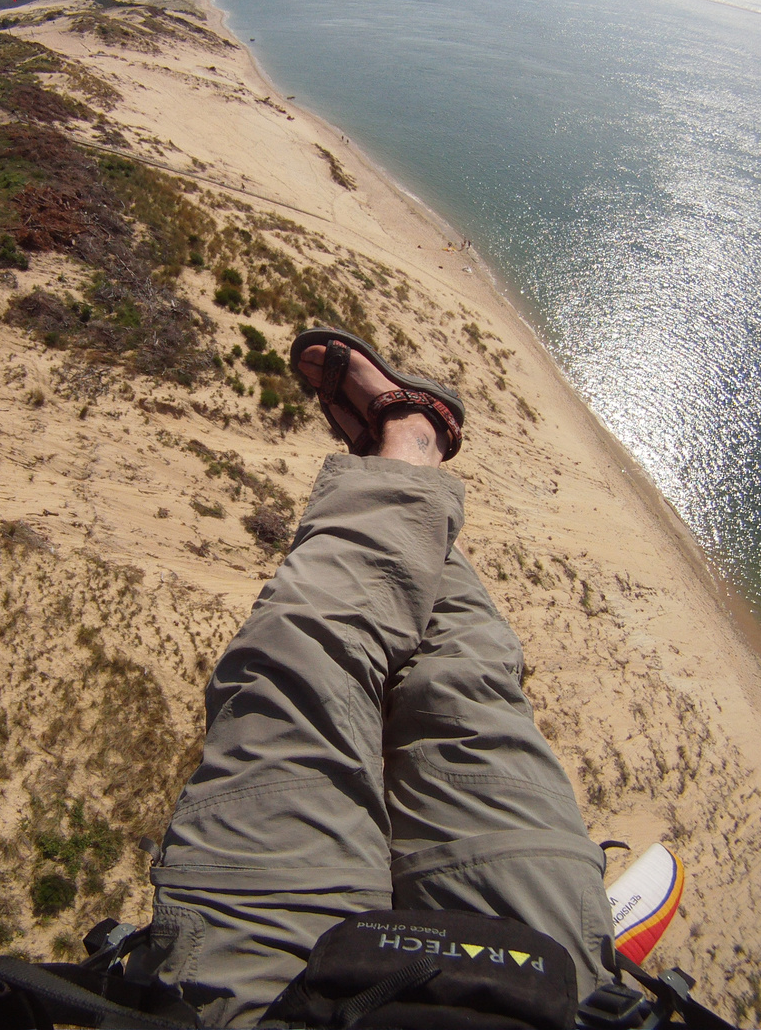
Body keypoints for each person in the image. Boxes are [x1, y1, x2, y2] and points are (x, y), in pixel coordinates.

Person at [130, 329, 613, 1028]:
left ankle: (407, 461)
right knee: (467, 691)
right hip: (539, 999)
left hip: (263, 1007)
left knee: (299, 661)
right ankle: (411, 452)